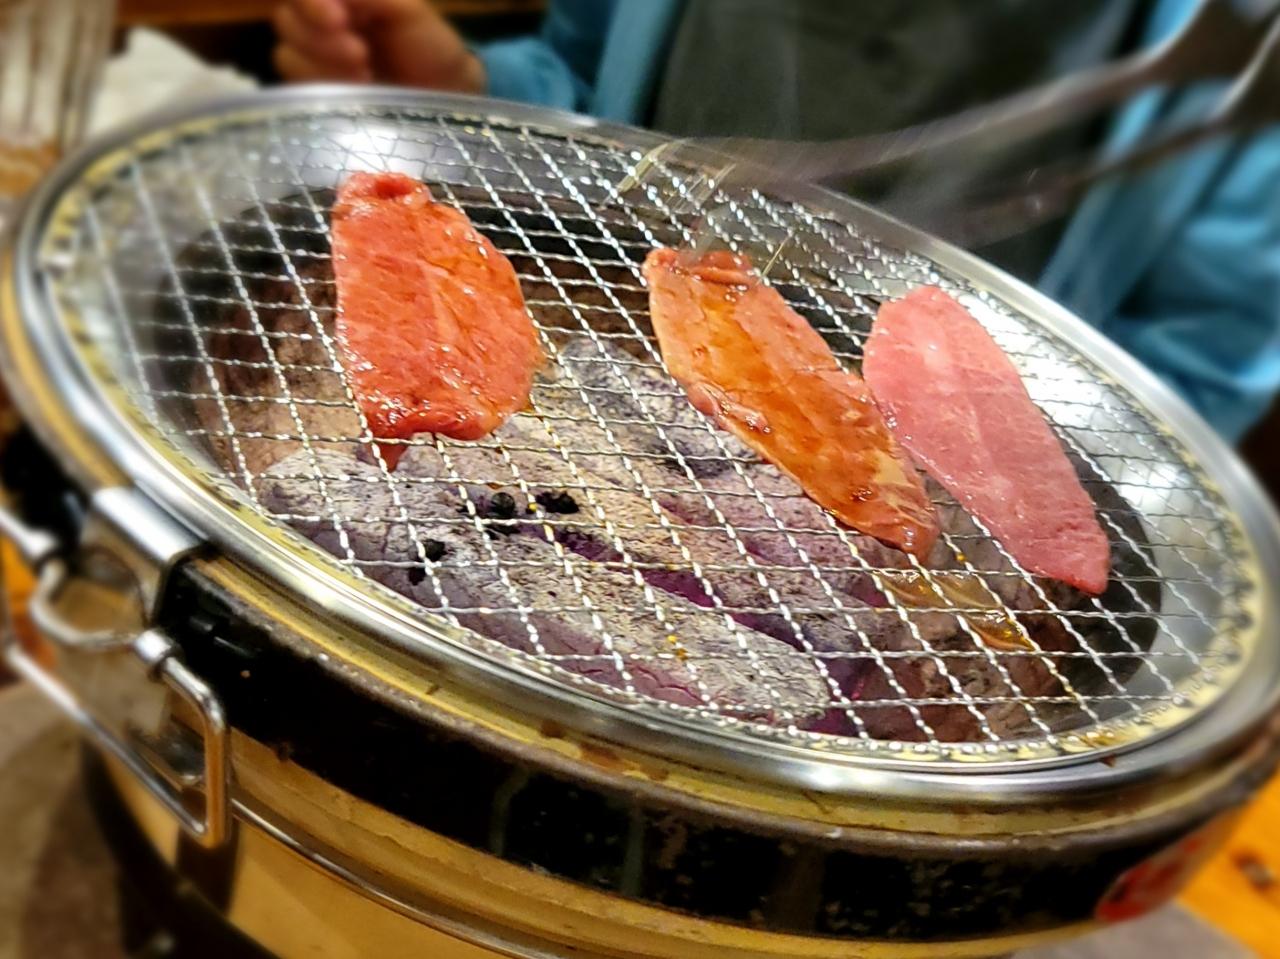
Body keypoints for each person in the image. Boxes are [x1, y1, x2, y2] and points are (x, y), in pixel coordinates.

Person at [272, 0, 1280, 443]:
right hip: (590, 373)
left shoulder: (1233, 51)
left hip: (932, 502)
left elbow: (1189, 380)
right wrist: (474, 91)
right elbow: (584, 89)